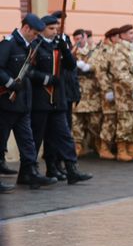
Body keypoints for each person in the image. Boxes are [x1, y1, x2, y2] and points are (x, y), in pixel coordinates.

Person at [28, 15, 92, 185]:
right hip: (41, 99)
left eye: (56, 28)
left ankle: (72, 169)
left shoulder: (58, 45)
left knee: (64, 136)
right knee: (36, 137)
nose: (55, 31)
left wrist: (65, 49)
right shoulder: (35, 45)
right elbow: (29, 71)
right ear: (42, 29)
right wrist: (46, 78)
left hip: (58, 99)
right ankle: (30, 172)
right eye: (51, 28)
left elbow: (70, 67)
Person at [0, 14, 54, 190]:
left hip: (22, 103)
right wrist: (9, 83)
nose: (37, 36)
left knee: (27, 141)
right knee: (1, 141)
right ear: (26, 28)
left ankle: (29, 173)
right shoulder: (8, 44)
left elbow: (28, 72)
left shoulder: (29, 47)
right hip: (6, 103)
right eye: (35, 32)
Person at [110, 24, 133, 162]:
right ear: (122, 35)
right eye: (130, 33)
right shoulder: (119, 49)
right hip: (126, 93)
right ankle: (122, 150)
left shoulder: (132, 48)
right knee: (126, 122)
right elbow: (120, 72)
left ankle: (132, 148)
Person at [72, 28, 102, 157]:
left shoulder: (95, 50)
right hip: (77, 89)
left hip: (92, 91)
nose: (78, 41)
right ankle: (78, 146)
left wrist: (90, 66)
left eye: (80, 38)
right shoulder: (72, 51)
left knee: (95, 121)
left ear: (85, 37)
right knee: (76, 121)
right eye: (76, 39)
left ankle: (97, 144)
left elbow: (101, 64)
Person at [94, 28, 120, 160]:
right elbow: (101, 72)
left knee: (116, 119)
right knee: (109, 119)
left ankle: (110, 146)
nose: (119, 39)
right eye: (117, 37)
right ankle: (104, 148)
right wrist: (107, 90)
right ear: (111, 38)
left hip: (119, 91)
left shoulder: (116, 49)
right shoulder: (105, 50)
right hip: (109, 90)